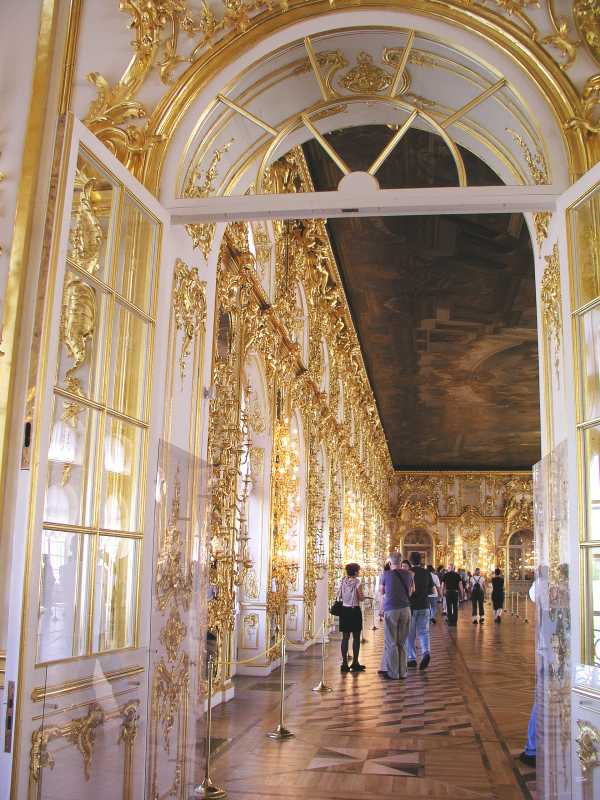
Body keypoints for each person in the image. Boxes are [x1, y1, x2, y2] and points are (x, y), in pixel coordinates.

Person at [379, 551, 413, 680]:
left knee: (391, 642)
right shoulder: (409, 574)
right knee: (402, 642)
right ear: (401, 561)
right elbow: (410, 592)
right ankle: (403, 672)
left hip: (391, 609)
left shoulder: (385, 575)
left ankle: (393, 673)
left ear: (390, 562)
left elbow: (382, 592)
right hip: (405, 609)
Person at [407, 552, 434, 670]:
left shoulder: (408, 573)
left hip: (411, 607)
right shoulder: (427, 572)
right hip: (424, 605)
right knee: (424, 632)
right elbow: (431, 590)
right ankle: (426, 652)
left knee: (410, 634)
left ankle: (412, 658)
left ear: (410, 561)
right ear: (421, 560)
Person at [338, 562, 365, 673]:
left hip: (344, 610)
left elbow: (339, 595)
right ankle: (355, 662)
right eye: (358, 570)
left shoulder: (343, 580)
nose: (359, 572)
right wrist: (363, 596)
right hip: (354, 611)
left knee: (345, 637)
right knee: (356, 637)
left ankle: (344, 664)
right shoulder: (357, 582)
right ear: (355, 572)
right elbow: (361, 598)